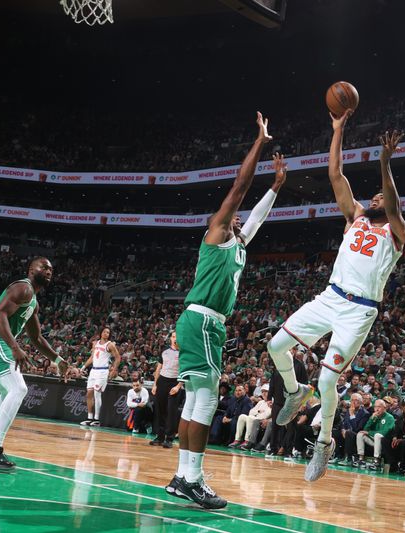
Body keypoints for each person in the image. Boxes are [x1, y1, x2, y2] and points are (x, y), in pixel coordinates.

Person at [268, 116, 405, 482]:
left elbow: (392, 203)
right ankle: (296, 390)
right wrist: (336, 130)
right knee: (275, 345)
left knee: (329, 382)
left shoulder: (398, 229)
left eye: (382, 196)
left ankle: (324, 443)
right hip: (330, 297)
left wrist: (384, 162)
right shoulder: (356, 216)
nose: (376, 198)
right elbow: (335, 175)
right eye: (375, 195)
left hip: (359, 311)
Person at [165, 112, 283, 509]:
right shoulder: (216, 233)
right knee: (207, 399)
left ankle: (184, 476)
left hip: (206, 324)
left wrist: (277, 188)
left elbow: (258, 220)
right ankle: (193, 479)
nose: (237, 216)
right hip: (201, 320)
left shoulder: (238, 242)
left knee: (197, 400)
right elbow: (239, 186)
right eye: (233, 213)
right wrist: (259, 144)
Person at [0, 257, 67, 471]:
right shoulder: (23, 288)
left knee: (8, 392)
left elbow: (37, 338)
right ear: (31, 269)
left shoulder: (33, 301)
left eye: (51, 269)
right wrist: (15, 347)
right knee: (19, 389)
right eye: (44, 267)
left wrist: (57, 359)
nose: (48, 271)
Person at [80, 327, 120, 427]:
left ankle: (97, 419)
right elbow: (92, 357)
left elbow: (118, 357)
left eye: (108, 332)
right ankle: (89, 418)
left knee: (97, 393)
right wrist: (83, 367)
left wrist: (114, 369)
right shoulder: (95, 343)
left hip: (102, 371)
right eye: (105, 332)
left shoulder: (110, 345)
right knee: (89, 394)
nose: (106, 333)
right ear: (101, 333)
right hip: (93, 371)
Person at [150, 331, 182, 448]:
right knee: (160, 410)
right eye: (173, 337)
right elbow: (159, 368)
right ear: (170, 339)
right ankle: (160, 437)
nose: (175, 339)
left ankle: (169, 438)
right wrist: (155, 384)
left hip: (174, 382)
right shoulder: (164, 351)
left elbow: (184, 372)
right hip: (162, 381)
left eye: (177, 337)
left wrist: (178, 386)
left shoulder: (183, 353)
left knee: (171, 412)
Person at [355, 399, 395, 469]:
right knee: (360, 434)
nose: (376, 409)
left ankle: (377, 461)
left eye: (379, 407)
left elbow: (385, 432)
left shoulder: (390, 417)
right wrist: (371, 419)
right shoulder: (374, 416)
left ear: (384, 408)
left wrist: (369, 433)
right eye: (375, 407)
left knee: (377, 435)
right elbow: (365, 429)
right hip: (374, 440)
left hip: (384, 441)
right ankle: (360, 458)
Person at [229, 384, 271, 449]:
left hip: (260, 421)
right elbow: (251, 412)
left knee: (250, 417)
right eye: (262, 392)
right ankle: (237, 440)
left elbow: (266, 415)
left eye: (266, 392)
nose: (263, 393)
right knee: (242, 416)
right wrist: (259, 411)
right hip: (253, 418)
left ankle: (247, 441)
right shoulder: (261, 402)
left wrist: (256, 413)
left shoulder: (271, 402)